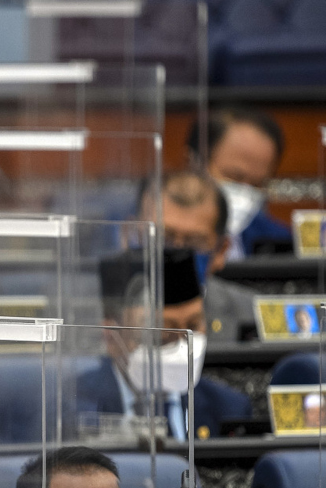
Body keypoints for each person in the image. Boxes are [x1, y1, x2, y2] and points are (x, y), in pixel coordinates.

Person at [83, 248, 252, 440]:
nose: (181, 345)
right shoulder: (72, 408)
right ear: (111, 335)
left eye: (193, 327)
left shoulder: (228, 409)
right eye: (161, 336)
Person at [139, 169, 257, 346]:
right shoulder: (99, 315)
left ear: (221, 251)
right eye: (164, 238)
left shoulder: (252, 315)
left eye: (194, 242)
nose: (178, 254)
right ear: (133, 237)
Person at [187, 108, 290, 259]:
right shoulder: (160, 233)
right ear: (194, 163)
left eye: (257, 184)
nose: (245, 192)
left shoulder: (279, 242)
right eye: (234, 176)